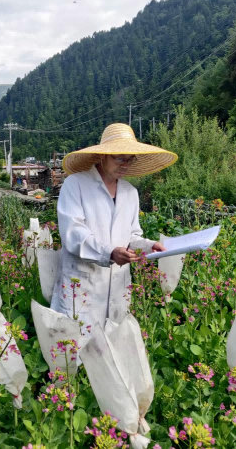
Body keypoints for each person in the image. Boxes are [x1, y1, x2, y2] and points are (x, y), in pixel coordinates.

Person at [50, 123, 178, 332]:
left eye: (130, 159)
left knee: (114, 342)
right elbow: (73, 233)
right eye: (120, 158)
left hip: (118, 288)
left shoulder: (130, 192)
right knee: (77, 343)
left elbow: (132, 236)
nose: (125, 164)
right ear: (103, 155)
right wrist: (109, 252)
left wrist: (148, 246)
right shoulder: (75, 184)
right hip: (82, 286)